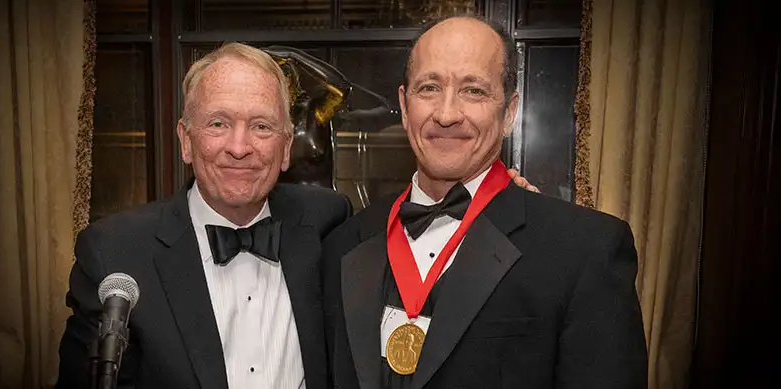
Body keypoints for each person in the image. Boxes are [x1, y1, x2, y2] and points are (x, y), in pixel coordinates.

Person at [323, 16, 648, 389]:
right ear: (404, 102)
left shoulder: (585, 251)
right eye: (429, 88)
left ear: (509, 112)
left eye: (473, 91)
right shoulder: (344, 244)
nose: (446, 114)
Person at [56, 43, 352, 389]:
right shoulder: (115, 254)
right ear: (186, 140)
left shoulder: (327, 222)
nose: (239, 148)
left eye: (261, 127)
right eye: (218, 123)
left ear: (285, 147)